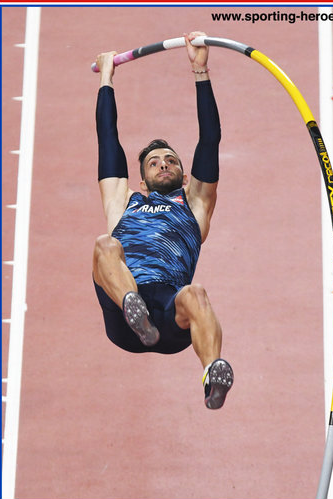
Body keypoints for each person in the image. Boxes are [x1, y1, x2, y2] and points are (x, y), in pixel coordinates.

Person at [92, 31, 233, 409]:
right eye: (154, 162)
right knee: (106, 245)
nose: (163, 164)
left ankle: (212, 373)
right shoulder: (123, 202)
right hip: (125, 311)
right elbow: (108, 139)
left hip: (171, 317)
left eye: (171, 160)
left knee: (196, 293)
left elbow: (210, 140)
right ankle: (130, 303)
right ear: (141, 180)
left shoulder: (196, 204)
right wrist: (107, 77)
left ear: (185, 176)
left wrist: (199, 70)